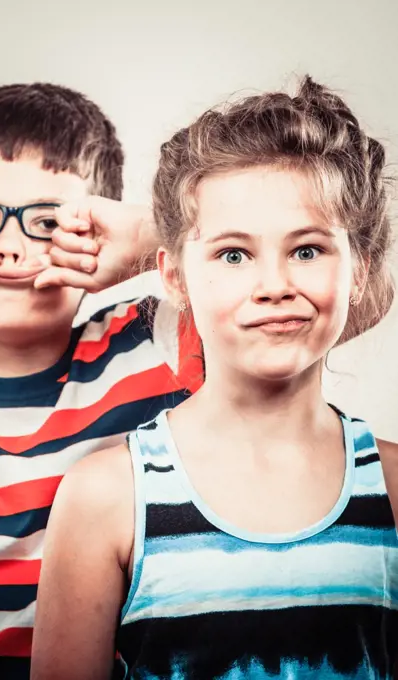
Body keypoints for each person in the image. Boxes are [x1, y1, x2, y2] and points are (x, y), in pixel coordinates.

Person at [31, 76, 398, 679]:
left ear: (359, 270)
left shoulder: (393, 485)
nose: (275, 285)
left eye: (308, 250)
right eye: (233, 255)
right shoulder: (104, 498)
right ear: (174, 278)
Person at [0, 83, 199, 679]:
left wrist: (150, 238)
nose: (9, 247)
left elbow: (346, 300)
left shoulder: (150, 348)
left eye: (47, 221)